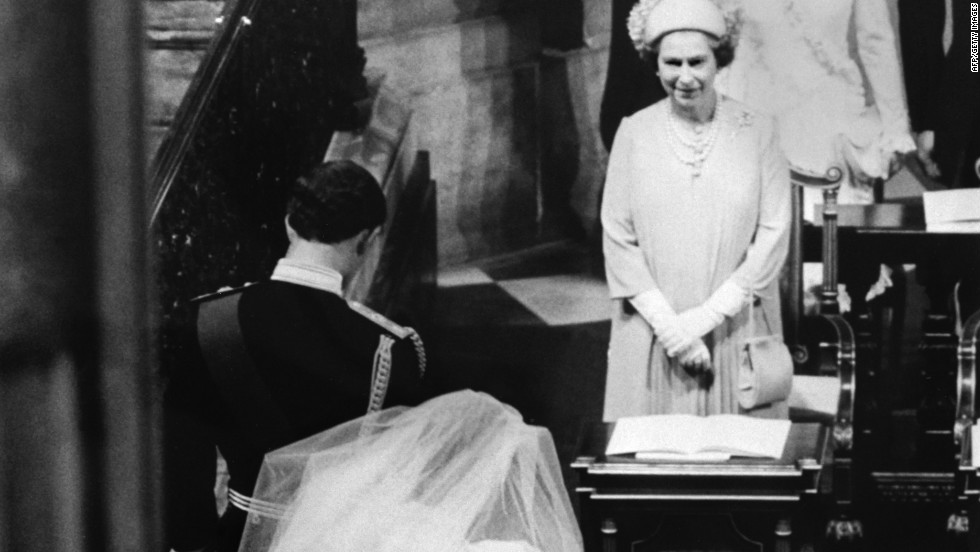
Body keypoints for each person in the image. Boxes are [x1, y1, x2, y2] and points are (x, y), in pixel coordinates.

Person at [164, 160, 428, 552]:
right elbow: (398, 479)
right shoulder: (393, 349)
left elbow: (181, 473)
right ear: (367, 240)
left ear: (290, 225)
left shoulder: (206, 321)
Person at [601, 0, 791, 420]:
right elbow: (618, 239)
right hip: (654, 332)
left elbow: (774, 235)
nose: (684, 77)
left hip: (737, 326)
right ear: (655, 65)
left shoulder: (759, 131)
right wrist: (673, 332)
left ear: (718, 61)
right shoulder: (633, 133)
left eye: (696, 62)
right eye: (672, 63)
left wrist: (704, 319)